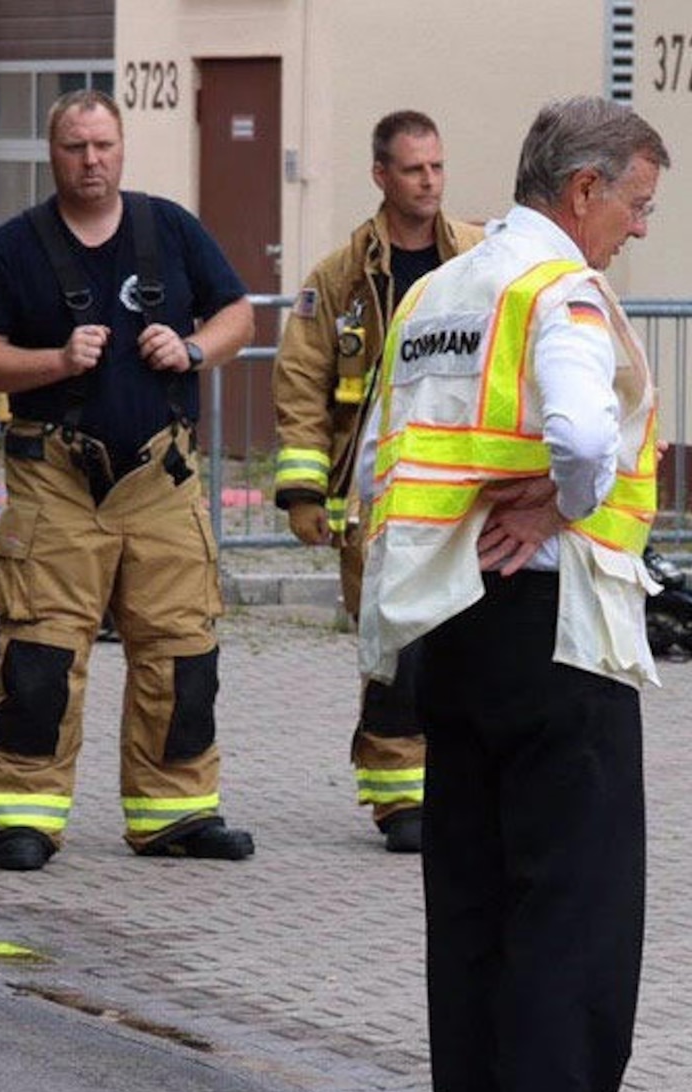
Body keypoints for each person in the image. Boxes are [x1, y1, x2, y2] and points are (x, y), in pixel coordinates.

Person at [357, 96, 670, 1092]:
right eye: (635, 203)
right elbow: (584, 440)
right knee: (573, 920)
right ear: (582, 189)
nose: (636, 229)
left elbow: (390, 454)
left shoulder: (439, 291)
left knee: (472, 917)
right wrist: (564, 494)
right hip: (555, 630)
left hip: (448, 627)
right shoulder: (560, 295)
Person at [0, 88, 257, 872]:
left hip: (162, 477)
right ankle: (17, 816)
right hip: (56, 479)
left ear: (123, 149)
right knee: (42, 656)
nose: (91, 161)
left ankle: (177, 814)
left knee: (184, 653)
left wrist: (192, 350)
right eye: (75, 148)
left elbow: (240, 315)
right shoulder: (16, 247)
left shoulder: (171, 229)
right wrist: (55, 361)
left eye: (103, 146)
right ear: (51, 154)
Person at [271, 110, 485, 854]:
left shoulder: (478, 258)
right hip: (378, 496)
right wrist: (304, 494)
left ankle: (467, 787)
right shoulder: (341, 277)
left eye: (437, 167)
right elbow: (301, 381)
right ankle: (402, 799)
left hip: (465, 489)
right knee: (397, 651)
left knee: (472, 643)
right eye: (413, 169)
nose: (429, 182)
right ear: (381, 176)